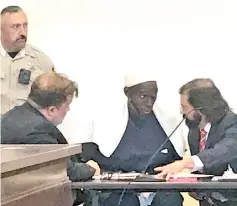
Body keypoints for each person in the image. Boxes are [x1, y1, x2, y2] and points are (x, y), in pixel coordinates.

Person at [76, 75, 186, 206]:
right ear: (127, 93)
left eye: (153, 96)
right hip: (116, 190)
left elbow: (176, 161)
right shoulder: (104, 120)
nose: (149, 103)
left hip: (157, 189)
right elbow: (83, 158)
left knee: (170, 200)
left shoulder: (167, 121)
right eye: (143, 96)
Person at [1, 71, 96, 205]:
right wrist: (90, 169)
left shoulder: (11, 116)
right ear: (52, 110)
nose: (68, 110)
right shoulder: (36, 132)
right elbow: (63, 171)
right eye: (67, 106)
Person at [155, 78, 237, 206]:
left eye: (185, 107)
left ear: (201, 108)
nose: (181, 111)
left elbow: (225, 150)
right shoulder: (194, 132)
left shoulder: (232, 123)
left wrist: (186, 163)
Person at [0, 5, 54, 115]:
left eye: (25, 26)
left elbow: (53, 101)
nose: (22, 32)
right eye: (16, 27)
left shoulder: (41, 61)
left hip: (26, 130)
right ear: (1, 30)